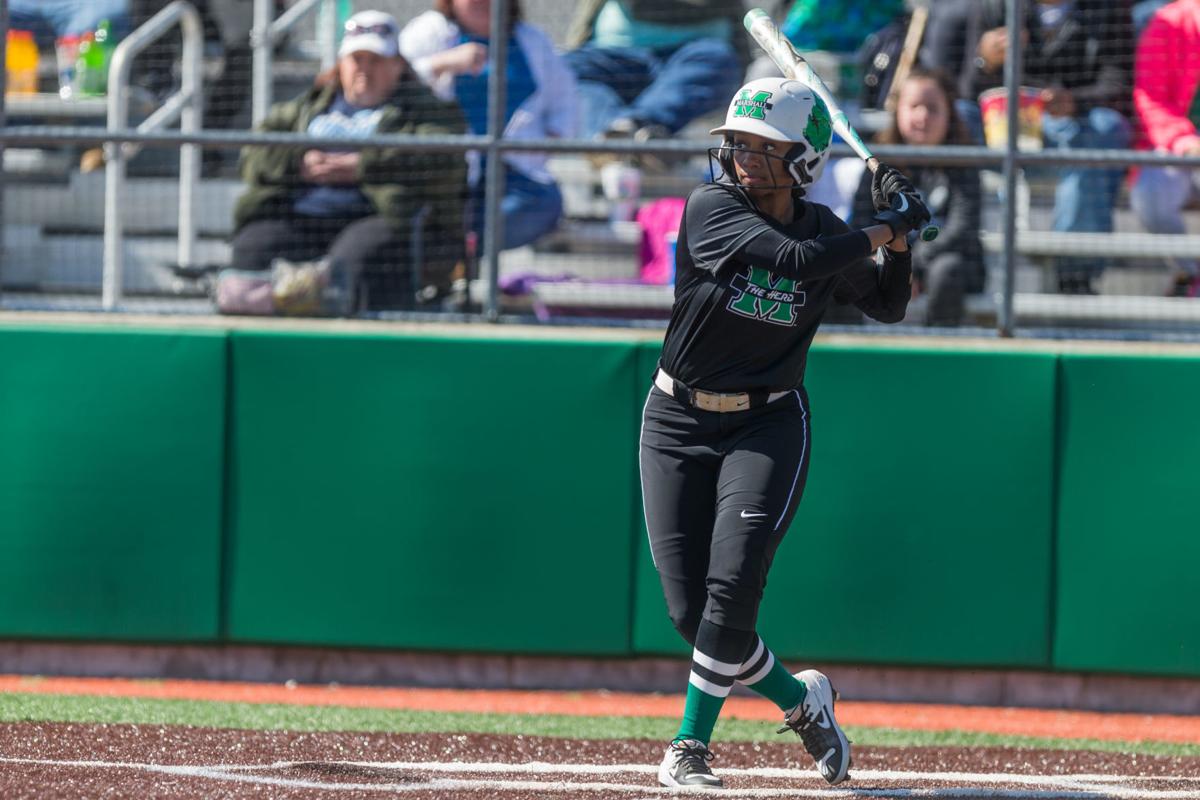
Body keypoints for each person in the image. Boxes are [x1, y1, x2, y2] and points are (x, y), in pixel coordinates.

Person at [639, 76, 930, 788]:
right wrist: (887, 225)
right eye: (738, 142)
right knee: (691, 614)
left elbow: (889, 304)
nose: (742, 156)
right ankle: (802, 704)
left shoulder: (829, 230)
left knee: (733, 587)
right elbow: (792, 261)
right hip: (677, 418)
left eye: (763, 147)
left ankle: (689, 746)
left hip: (767, 422)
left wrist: (901, 241)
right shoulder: (711, 208)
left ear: (803, 161)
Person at [230, 10, 468, 312]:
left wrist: (362, 166)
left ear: (397, 66)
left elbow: (444, 161)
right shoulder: (307, 107)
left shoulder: (427, 110)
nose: (365, 70)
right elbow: (253, 154)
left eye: (377, 60)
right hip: (302, 213)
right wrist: (298, 163)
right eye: (357, 60)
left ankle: (349, 351)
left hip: (379, 215)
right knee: (254, 247)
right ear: (341, 64)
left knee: (353, 260)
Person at [921, 0, 1134, 294]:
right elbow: (969, 93)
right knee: (957, 116)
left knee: (1107, 126)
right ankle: (943, 251)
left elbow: (1120, 87)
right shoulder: (995, 6)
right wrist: (984, 60)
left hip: (1073, 131)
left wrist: (1073, 102)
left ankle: (1073, 274)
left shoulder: (1106, 8)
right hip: (1001, 130)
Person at [400, 0, 575, 253]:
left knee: (543, 203)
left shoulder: (532, 40)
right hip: (446, 168)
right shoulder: (428, 31)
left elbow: (565, 97)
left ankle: (463, 250)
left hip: (514, 170)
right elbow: (393, 81)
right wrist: (442, 63)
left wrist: (554, 136)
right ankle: (451, 249)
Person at [850, 67, 984, 325]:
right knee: (848, 267)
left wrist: (910, 264)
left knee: (947, 270)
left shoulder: (965, 164)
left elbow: (962, 229)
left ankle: (940, 352)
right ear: (898, 110)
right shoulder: (877, 166)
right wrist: (893, 263)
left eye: (933, 108)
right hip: (887, 258)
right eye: (914, 106)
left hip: (949, 263)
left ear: (949, 114)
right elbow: (862, 222)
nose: (922, 116)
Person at [563, 0, 747, 142]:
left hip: (691, 59)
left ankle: (639, 128)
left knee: (719, 61)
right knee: (567, 69)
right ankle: (609, 135)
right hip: (613, 58)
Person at [1130, 0, 1200, 297]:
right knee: (1151, 191)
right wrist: (1183, 141)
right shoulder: (1168, 22)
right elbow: (1151, 100)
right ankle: (1189, 273)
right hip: (1180, 146)